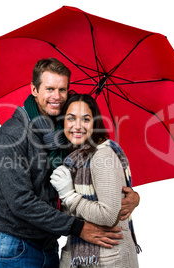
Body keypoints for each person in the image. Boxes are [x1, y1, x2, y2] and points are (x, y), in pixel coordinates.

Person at [0, 58, 140, 267]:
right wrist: (77, 227)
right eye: (50, 88)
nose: (57, 97)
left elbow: (92, 181)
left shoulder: (65, 131)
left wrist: (130, 196)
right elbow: (20, 202)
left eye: (62, 89)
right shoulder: (11, 135)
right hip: (16, 245)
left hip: (50, 244)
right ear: (34, 89)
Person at [50, 94, 140, 267]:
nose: (77, 126)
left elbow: (109, 215)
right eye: (71, 118)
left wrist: (70, 195)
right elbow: (70, 217)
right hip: (80, 256)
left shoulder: (102, 156)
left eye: (86, 119)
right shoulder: (75, 158)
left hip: (107, 259)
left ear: (94, 123)